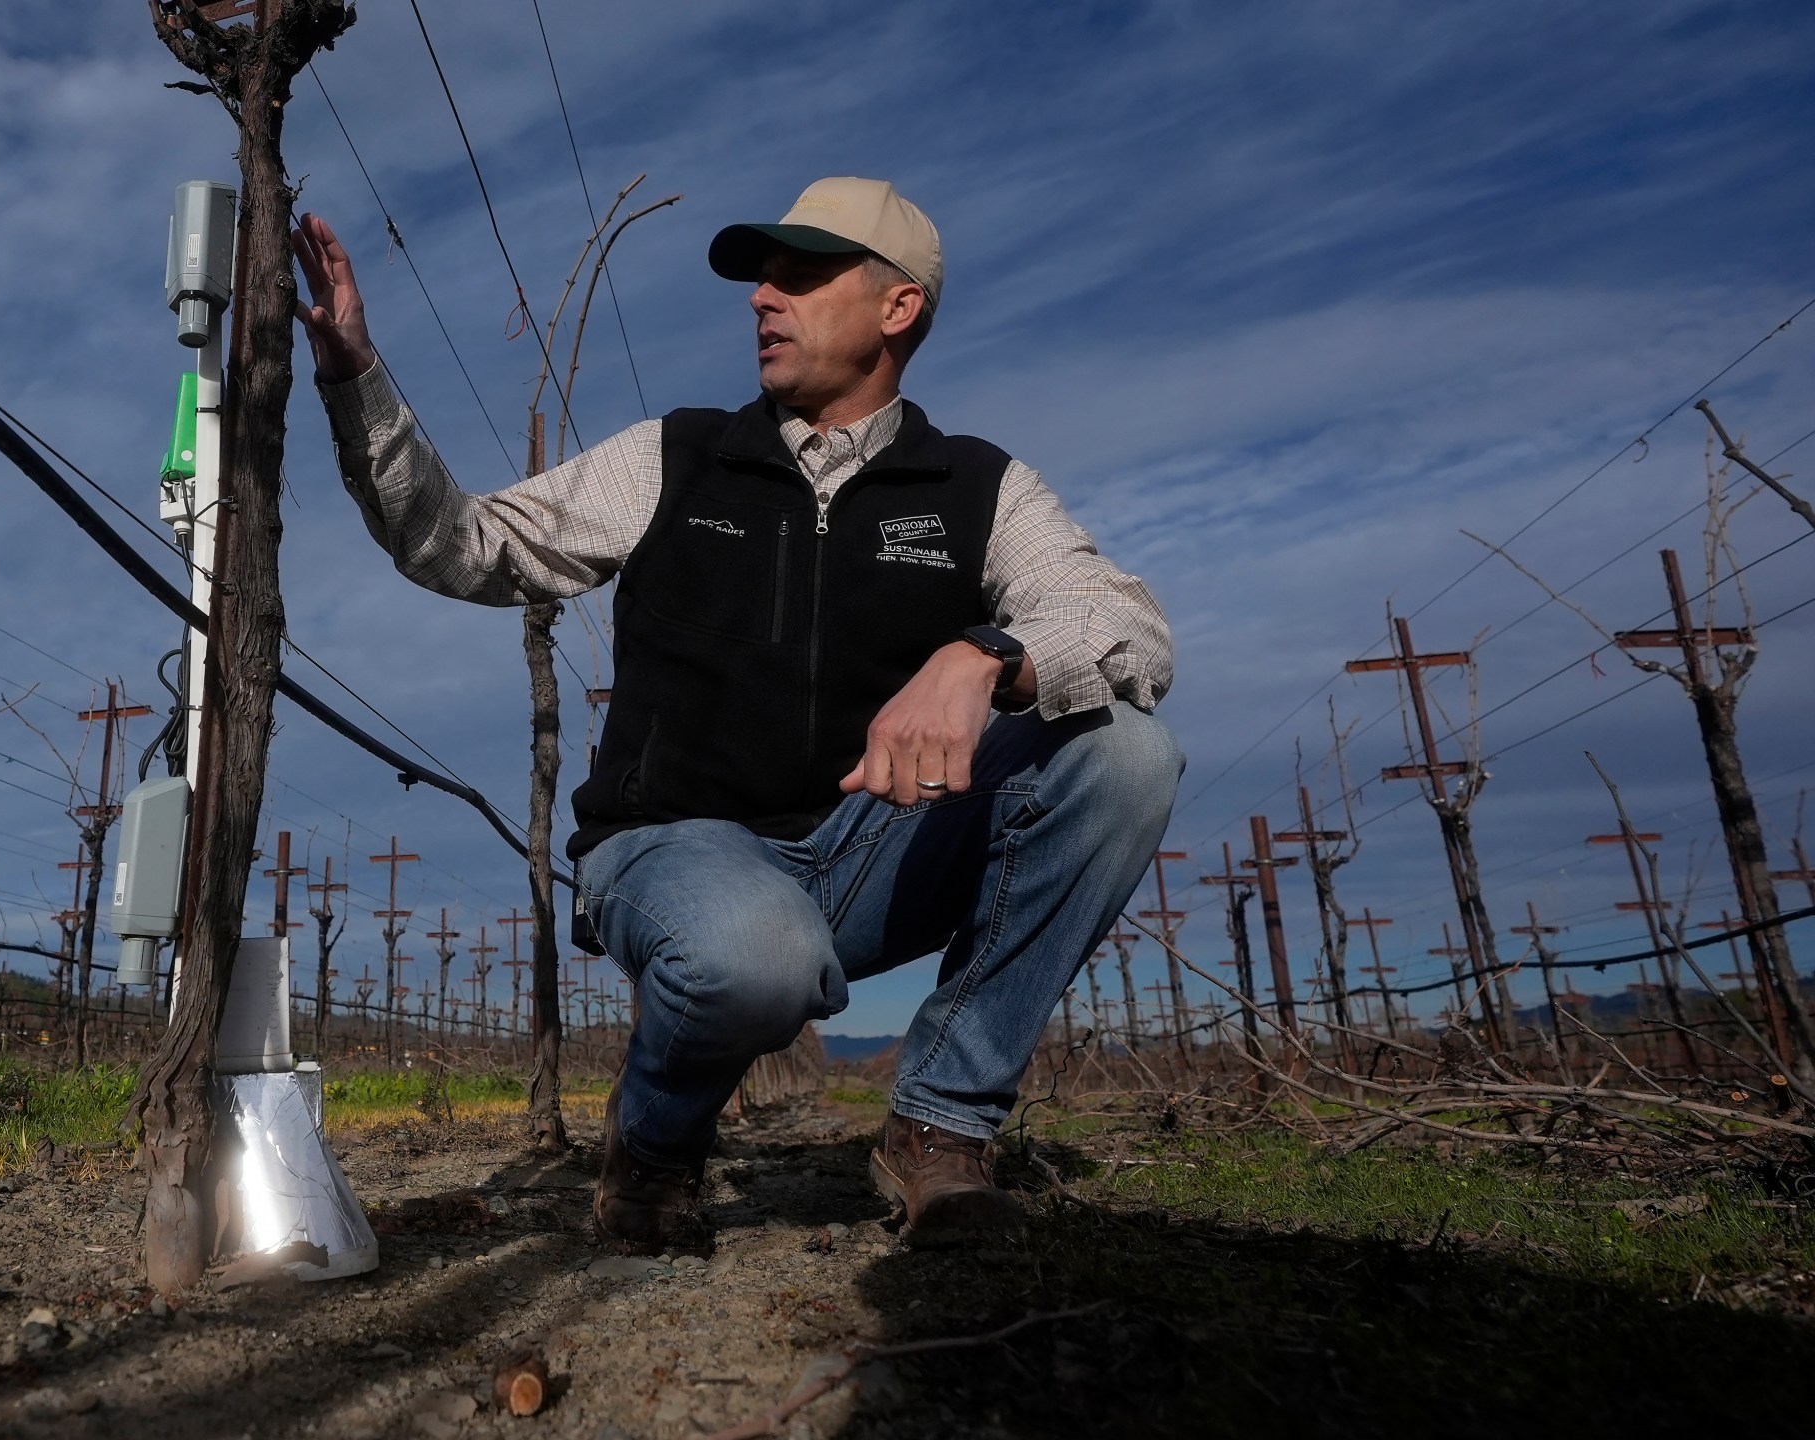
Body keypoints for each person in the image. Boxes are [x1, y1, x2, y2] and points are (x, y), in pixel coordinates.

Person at [293, 177, 1180, 1248]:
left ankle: (939, 1126)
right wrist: (357, 384)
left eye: (801, 274)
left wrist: (988, 653)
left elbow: (1126, 626)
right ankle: (655, 1148)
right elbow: (467, 544)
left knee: (1123, 757)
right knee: (753, 957)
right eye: (761, 277)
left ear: (898, 309)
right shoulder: (676, 456)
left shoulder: (979, 488)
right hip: (674, 849)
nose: (764, 297)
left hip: (865, 850)